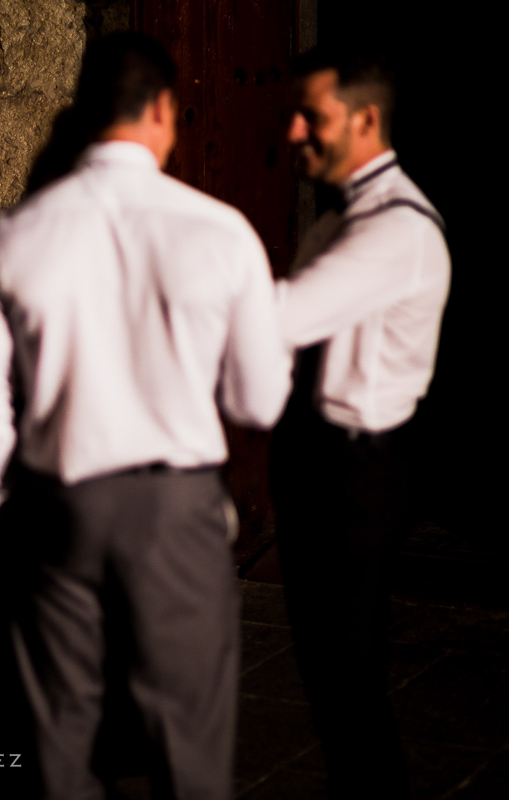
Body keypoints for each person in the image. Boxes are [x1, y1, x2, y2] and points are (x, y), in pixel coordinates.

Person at [0, 33, 291, 800]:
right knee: (189, 739)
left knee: (58, 741)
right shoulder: (222, 231)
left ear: (82, 116)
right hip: (176, 510)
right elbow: (258, 400)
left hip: (58, 505)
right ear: (164, 111)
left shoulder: (16, 235)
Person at [271, 44, 450, 798]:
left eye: (312, 117)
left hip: (359, 473)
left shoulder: (396, 230)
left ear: (367, 119)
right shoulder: (338, 223)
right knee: (328, 678)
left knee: (349, 685)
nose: (293, 133)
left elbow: (276, 317)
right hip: (319, 456)